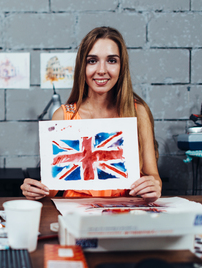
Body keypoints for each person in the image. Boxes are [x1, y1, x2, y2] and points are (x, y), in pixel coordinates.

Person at [21, 26, 162, 202]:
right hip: (74, 212)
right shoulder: (64, 116)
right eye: (92, 60)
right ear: (82, 66)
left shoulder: (137, 111)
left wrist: (154, 185)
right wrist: (36, 190)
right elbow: (53, 186)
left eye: (111, 61)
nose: (101, 70)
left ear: (121, 66)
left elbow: (153, 176)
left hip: (125, 212)